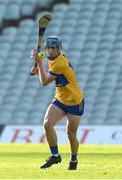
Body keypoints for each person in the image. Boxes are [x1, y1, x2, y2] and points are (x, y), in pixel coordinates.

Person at [31, 36, 84, 170]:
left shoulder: (60, 62)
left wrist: (39, 64)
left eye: (53, 48)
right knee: (47, 124)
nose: (49, 51)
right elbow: (45, 75)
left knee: (71, 134)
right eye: (47, 47)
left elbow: (44, 82)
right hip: (60, 99)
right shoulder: (50, 57)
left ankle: (73, 160)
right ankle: (55, 156)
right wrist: (38, 68)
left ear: (59, 49)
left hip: (74, 101)